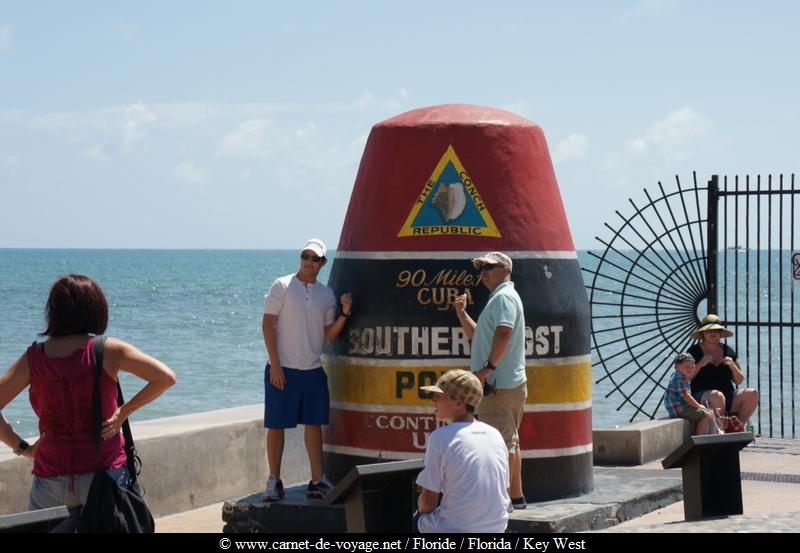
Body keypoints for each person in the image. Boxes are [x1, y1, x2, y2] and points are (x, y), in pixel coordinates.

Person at [0, 274, 176, 532]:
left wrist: (23, 448)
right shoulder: (107, 350)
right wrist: (122, 413)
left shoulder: (34, 358)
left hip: (51, 480)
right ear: (96, 309)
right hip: (106, 478)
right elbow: (166, 377)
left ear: (54, 312)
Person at [262, 238, 352, 501]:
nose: (309, 262)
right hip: (283, 370)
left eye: (315, 258)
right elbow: (267, 326)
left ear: (323, 263)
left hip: (313, 371)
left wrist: (345, 313)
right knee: (276, 426)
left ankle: (317, 480)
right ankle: (274, 481)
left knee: (314, 425)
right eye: (305, 256)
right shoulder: (281, 285)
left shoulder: (327, 295)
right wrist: (275, 366)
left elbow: (329, 334)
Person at [453, 251, 527, 509]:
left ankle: (501, 502)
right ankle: (515, 497)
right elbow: (481, 340)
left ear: (505, 269)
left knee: (502, 445)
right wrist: (462, 314)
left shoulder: (504, 298)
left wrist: (487, 370)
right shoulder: (500, 298)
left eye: (489, 267)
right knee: (511, 440)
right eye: (481, 267)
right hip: (507, 383)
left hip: (498, 386)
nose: (483, 272)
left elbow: (504, 333)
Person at [414, 369, 510, 533]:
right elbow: (504, 491)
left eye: (438, 396)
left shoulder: (440, 438)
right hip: (498, 527)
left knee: (410, 517)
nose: (433, 400)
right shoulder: (495, 435)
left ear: (459, 402)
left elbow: (428, 504)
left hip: (456, 530)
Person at [688, 314, 759, 425]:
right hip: (702, 397)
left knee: (752, 394)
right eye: (709, 331)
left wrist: (732, 366)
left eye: (716, 330)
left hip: (727, 395)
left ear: (720, 333)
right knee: (717, 396)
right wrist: (700, 363)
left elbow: (739, 380)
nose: (713, 333)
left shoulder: (728, 351)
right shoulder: (694, 351)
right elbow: (687, 377)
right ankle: (719, 432)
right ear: (702, 333)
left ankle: (736, 428)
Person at [663, 352, 720, 435]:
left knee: (709, 411)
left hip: (678, 407)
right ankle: (699, 438)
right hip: (678, 408)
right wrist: (698, 406)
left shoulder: (679, 376)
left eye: (692, 366)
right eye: (687, 367)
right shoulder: (679, 378)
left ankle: (714, 432)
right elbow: (686, 396)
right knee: (705, 415)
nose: (690, 369)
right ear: (677, 367)